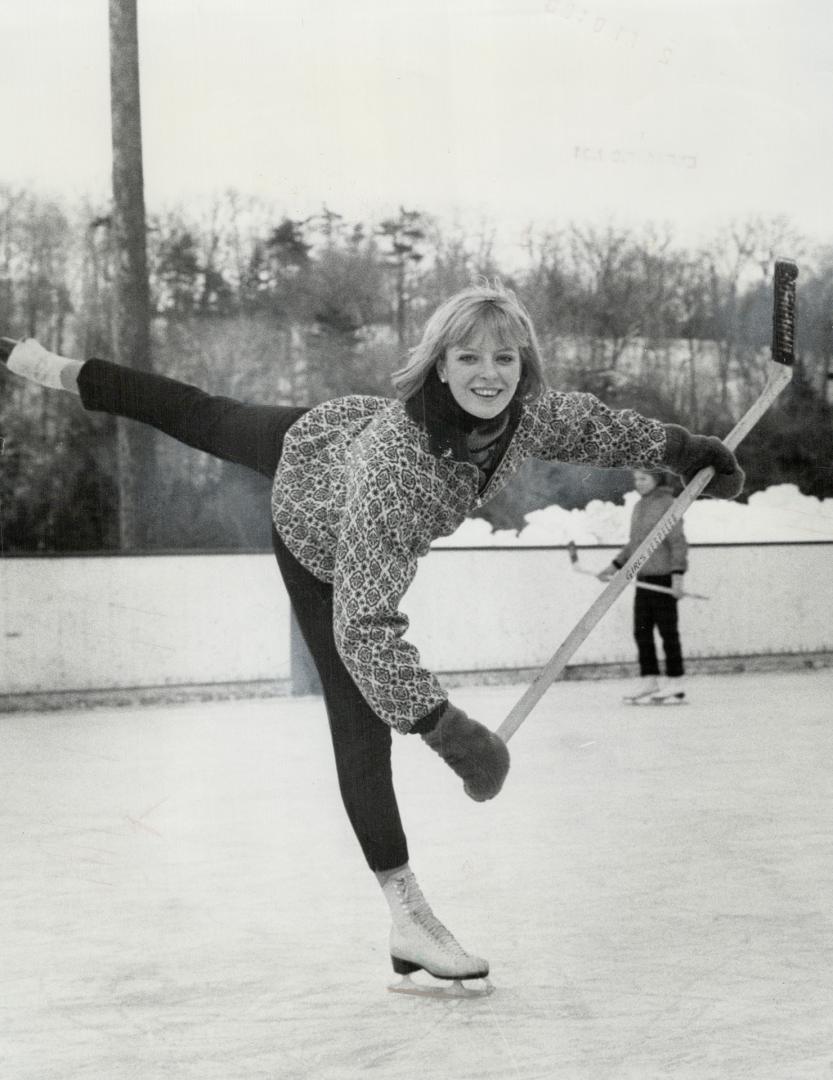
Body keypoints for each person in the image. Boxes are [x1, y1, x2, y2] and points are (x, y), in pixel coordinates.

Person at [0, 282, 743, 991]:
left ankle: (37, 361)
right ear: (439, 364)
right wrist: (446, 729)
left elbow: (591, 424)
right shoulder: (399, 471)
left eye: (504, 358)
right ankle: (407, 915)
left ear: (523, 367)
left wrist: (682, 447)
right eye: (468, 358)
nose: (488, 375)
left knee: (200, 410)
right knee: (359, 722)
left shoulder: (525, 412)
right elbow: (363, 627)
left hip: (327, 428)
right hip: (319, 536)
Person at [598, 468, 689, 704]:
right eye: (635, 479)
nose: (638, 483)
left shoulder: (668, 503)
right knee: (642, 631)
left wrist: (678, 576)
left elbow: (678, 542)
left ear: (656, 479)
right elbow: (635, 544)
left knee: (668, 633)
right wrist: (614, 565)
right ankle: (649, 679)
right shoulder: (639, 506)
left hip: (664, 579)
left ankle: (676, 683)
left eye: (643, 478)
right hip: (644, 580)